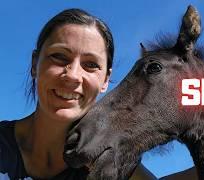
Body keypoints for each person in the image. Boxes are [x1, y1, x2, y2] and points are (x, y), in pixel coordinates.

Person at [0, 8, 159, 180]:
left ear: (105, 80)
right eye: (59, 56)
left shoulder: (112, 164)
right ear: (34, 64)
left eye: (91, 64)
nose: (73, 76)